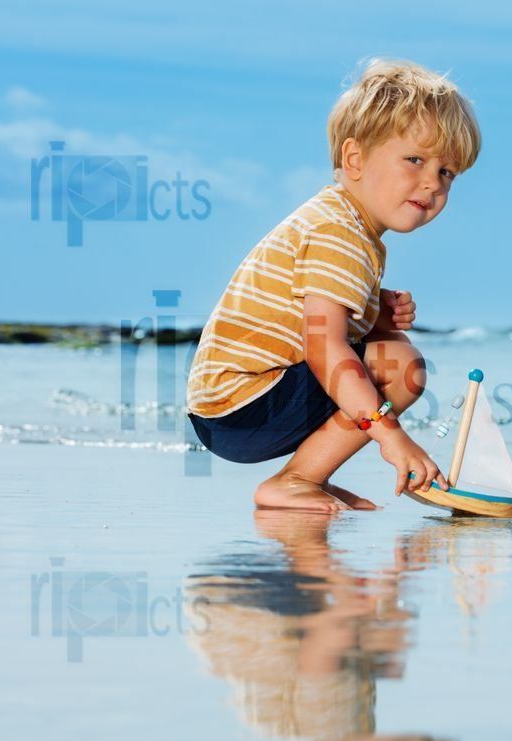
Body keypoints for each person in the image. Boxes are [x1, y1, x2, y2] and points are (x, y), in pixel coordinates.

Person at [186, 58, 480, 512]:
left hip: (226, 409)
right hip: (242, 408)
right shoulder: (339, 233)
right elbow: (324, 348)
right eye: (415, 160)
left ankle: (305, 478)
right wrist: (392, 438)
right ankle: (297, 479)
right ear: (355, 159)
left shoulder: (340, 222)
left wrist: (373, 316)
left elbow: (302, 323)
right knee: (402, 365)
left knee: (389, 345)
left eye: (447, 172)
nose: (432, 183)